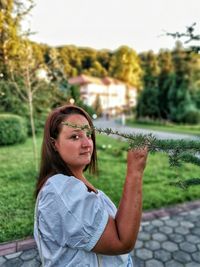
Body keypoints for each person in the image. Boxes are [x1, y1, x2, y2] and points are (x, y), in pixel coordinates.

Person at [34, 104, 148, 267]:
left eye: (88, 135)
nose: (87, 143)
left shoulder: (72, 183)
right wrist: (135, 171)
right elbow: (122, 242)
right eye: (75, 137)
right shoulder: (60, 193)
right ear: (54, 144)